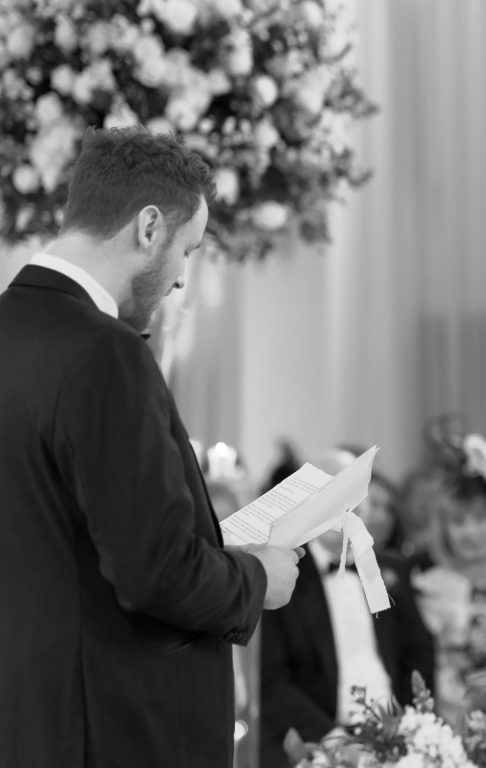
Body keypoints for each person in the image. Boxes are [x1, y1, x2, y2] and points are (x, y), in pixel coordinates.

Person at [0, 127, 300, 768]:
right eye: (188, 249)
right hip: (114, 730)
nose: (184, 279)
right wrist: (257, 577)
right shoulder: (105, 351)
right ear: (148, 227)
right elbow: (153, 571)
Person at [259, 458, 436, 768]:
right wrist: (333, 741)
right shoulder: (283, 575)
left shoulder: (388, 571)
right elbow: (272, 678)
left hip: (393, 735)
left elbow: (418, 653)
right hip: (317, 739)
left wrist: (407, 727)